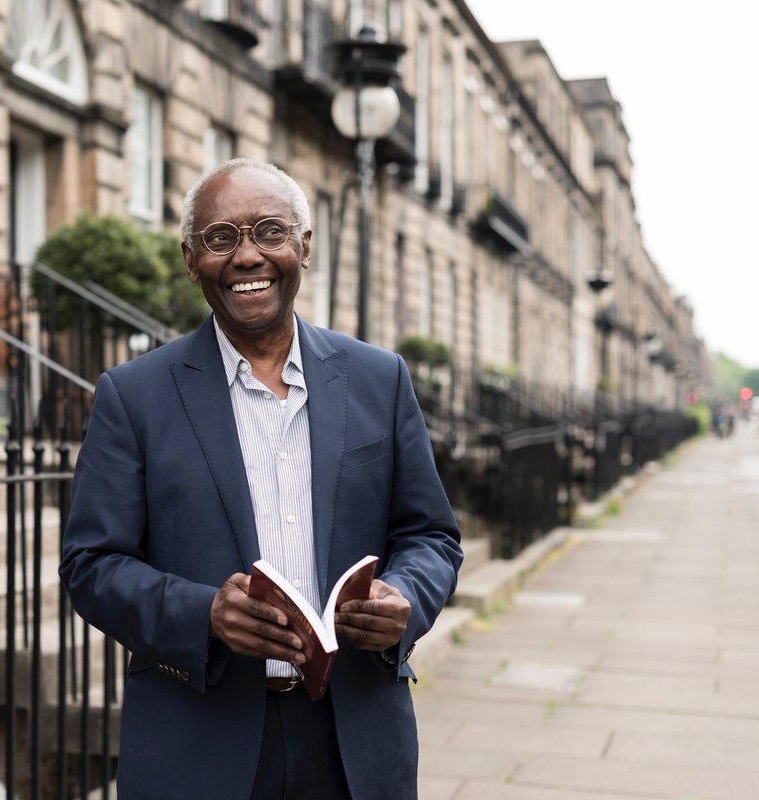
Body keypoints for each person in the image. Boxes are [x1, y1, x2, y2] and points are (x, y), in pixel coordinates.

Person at [59, 159, 462, 799]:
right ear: (192, 260)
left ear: (304, 248)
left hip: (353, 739)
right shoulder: (133, 396)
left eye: (270, 232)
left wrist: (405, 599)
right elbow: (90, 564)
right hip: (198, 742)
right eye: (221, 238)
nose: (248, 256)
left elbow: (431, 535)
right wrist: (204, 614)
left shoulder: (378, 379)